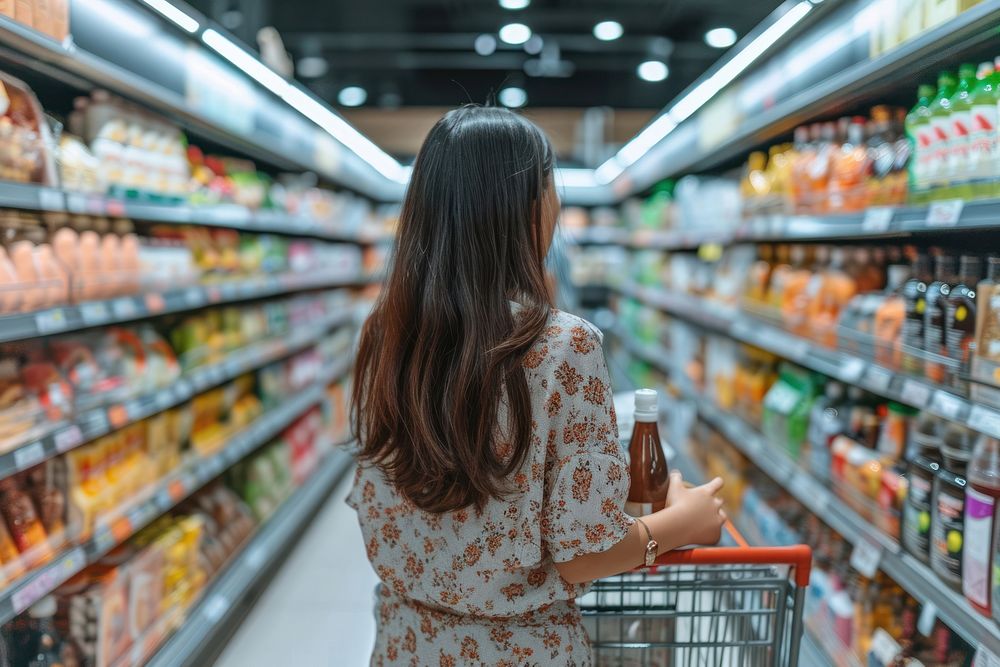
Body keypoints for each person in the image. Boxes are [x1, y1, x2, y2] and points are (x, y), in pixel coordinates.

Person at [348, 105, 726, 666]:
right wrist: (681, 523)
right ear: (529, 210)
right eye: (553, 188)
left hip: (407, 644)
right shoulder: (563, 345)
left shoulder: (387, 333)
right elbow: (583, 555)